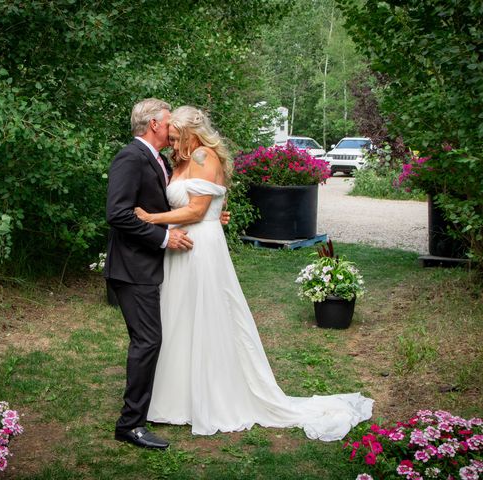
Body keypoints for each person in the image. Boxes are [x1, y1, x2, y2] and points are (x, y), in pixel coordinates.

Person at [134, 106, 374, 440]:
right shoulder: (184, 159)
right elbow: (195, 207)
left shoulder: (204, 156)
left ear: (191, 133)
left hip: (200, 249)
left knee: (206, 318)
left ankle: (212, 395)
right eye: (170, 138)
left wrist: (150, 219)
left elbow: (196, 209)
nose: (172, 144)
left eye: (175, 138)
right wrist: (199, 217)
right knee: (179, 319)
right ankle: (175, 399)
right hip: (182, 245)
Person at [104, 98, 194, 450]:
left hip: (148, 266)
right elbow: (119, 213)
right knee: (147, 341)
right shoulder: (131, 156)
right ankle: (130, 425)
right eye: (168, 121)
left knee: (149, 340)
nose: (172, 127)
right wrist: (163, 237)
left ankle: (142, 413)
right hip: (132, 267)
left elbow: (161, 207)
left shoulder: (155, 159)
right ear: (154, 123)